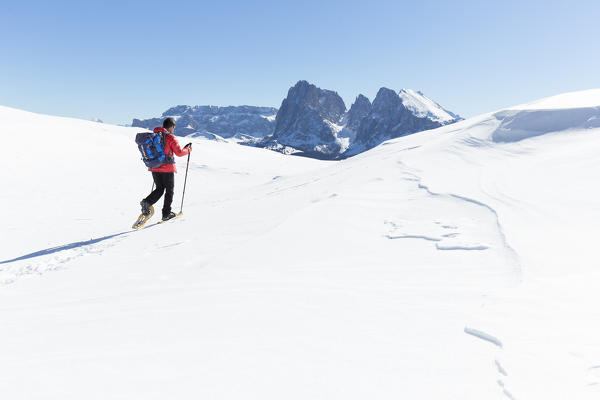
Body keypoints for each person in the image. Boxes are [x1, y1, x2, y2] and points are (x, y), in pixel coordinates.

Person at [140, 117, 191, 221]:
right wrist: (188, 149)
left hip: (154, 167)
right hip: (167, 168)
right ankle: (166, 214)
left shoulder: (153, 136)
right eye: (174, 127)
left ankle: (147, 202)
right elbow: (179, 153)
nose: (174, 129)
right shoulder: (170, 137)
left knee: (159, 188)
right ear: (171, 126)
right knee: (169, 191)